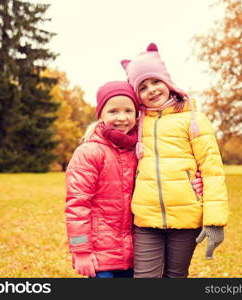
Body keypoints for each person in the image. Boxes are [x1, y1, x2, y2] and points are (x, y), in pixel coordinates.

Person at [121, 43, 229, 278]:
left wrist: (215, 220)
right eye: (142, 87)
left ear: (167, 82)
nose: (151, 90)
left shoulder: (193, 120)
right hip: (146, 219)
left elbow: (212, 170)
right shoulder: (136, 124)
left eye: (155, 81)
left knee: (175, 277)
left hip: (186, 218)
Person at [65, 81, 139, 278]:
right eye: (113, 111)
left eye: (128, 111)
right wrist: (81, 252)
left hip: (133, 254)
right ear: (101, 115)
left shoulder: (139, 150)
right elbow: (77, 205)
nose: (122, 118)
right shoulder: (89, 151)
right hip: (100, 256)